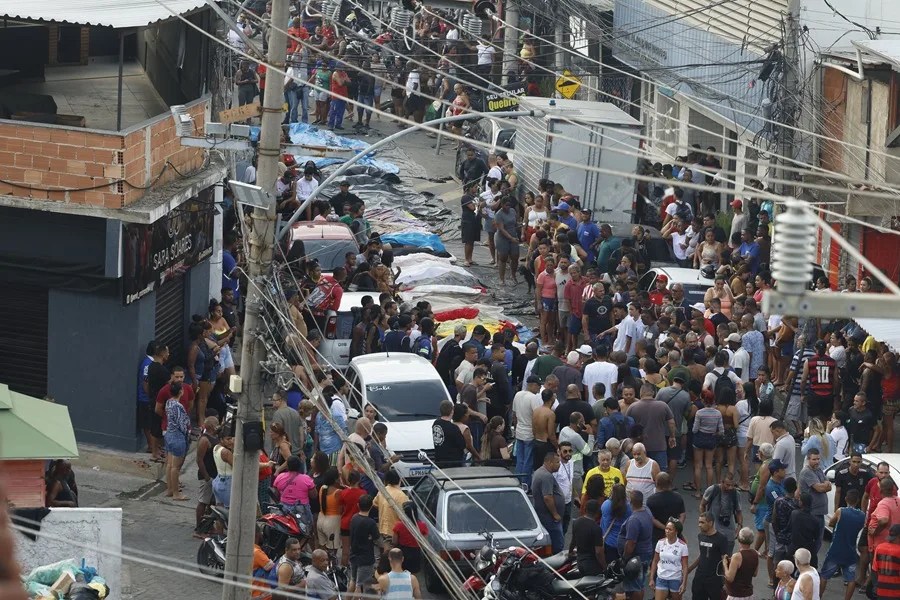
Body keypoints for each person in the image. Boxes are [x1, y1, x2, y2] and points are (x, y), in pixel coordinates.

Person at [820, 488, 864, 599]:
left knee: (824, 575)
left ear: (846, 499)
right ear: (858, 500)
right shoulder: (862, 515)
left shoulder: (841, 511)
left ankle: (818, 596)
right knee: (850, 579)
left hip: (836, 549)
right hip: (850, 551)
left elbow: (831, 522)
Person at [625, 383, 676, 469]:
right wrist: (672, 436)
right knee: (660, 471)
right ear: (653, 393)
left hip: (639, 447)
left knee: (641, 471)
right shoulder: (663, 405)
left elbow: (627, 425)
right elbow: (671, 423)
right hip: (659, 445)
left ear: (641, 393)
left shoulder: (633, 407)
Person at [619, 490, 654, 600]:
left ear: (630, 502)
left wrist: (624, 558)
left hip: (636, 558)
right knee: (640, 583)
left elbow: (631, 543)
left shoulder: (634, 520)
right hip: (645, 554)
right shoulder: (647, 511)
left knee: (634, 586)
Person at [687, 511, 729, 600]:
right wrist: (689, 569)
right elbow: (702, 555)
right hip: (700, 577)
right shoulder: (700, 536)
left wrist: (726, 582)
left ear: (710, 523)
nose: (699, 525)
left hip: (714, 578)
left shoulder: (721, 539)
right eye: (699, 522)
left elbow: (725, 560)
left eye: (702, 522)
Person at [798, 448, 831, 559]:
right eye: (814, 459)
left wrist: (824, 485)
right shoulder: (807, 472)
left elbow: (828, 485)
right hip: (812, 512)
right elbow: (820, 488)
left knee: (818, 541)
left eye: (818, 459)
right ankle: (808, 562)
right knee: (812, 542)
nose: (817, 461)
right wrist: (824, 485)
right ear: (808, 459)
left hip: (820, 512)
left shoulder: (818, 470)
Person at [699, 473, 742, 554]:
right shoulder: (713, 490)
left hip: (729, 528)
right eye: (727, 485)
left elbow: (739, 511)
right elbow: (702, 505)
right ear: (721, 482)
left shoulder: (736, 493)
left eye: (732, 485)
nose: (730, 488)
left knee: (728, 554)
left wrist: (739, 527)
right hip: (714, 527)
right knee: (713, 553)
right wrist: (705, 521)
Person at [532, 451, 565, 554]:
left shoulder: (539, 472)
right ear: (550, 463)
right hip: (550, 518)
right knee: (557, 544)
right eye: (557, 462)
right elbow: (547, 497)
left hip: (545, 515)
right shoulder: (546, 476)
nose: (559, 465)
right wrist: (555, 514)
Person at [348, 494, 381, 597]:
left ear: (358, 505)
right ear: (371, 506)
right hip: (366, 559)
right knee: (360, 586)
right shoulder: (370, 523)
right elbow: (378, 540)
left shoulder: (354, 518)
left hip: (354, 555)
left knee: (353, 581)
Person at [648, 519, 688, 600]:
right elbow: (655, 561)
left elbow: (685, 566)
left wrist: (684, 583)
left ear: (676, 531)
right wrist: (651, 578)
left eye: (670, 529)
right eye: (666, 528)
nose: (667, 531)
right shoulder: (660, 543)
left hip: (675, 579)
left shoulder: (683, 546)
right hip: (661, 578)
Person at [163, 382, 190, 501]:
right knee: (176, 467)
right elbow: (182, 424)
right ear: (180, 392)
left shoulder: (169, 402)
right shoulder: (178, 406)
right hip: (177, 436)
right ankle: (176, 493)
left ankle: (169, 489)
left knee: (169, 464)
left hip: (169, 434)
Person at [646, 473, 686, 543]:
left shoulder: (651, 500)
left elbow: (651, 519)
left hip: (658, 535)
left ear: (657, 483)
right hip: (675, 534)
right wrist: (675, 528)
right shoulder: (678, 497)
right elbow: (682, 515)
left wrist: (666, 528)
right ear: (670, 483)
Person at [570, 499, 605, 575]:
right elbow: (598, 552)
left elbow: (573, 541)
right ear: (598, 512)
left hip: (579, 561)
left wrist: (570, 553)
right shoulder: (596, 529)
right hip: (591, 564)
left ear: (585, 509)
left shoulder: (576, 522)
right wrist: (604, 567)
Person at [723, 527, 758, 600]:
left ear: (739, 539)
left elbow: (730, 578)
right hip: (749, 594)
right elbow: (754, 574)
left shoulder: (737, 556)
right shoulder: (755, 553)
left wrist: (725, 564)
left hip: (736, 595)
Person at [432, 400, 466, 468]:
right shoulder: (453, 428)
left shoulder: (436, 423)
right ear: (452, 411)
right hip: (452, 464)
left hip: (439, 462)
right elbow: (462, 445)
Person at [872, 524, 900, 600]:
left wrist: (875, 586)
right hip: (896, 592)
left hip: (881, 591)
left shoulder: (879, 547)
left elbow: (874, 570)